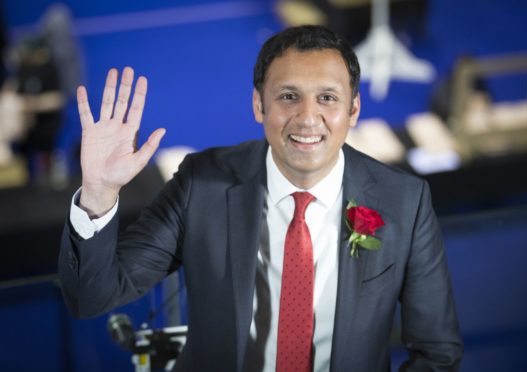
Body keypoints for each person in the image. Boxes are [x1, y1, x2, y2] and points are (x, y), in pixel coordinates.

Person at [59, 25, 462, 371]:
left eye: (327, 98)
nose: (307, 118)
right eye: (288, 96)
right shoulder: (202, 183)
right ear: (258, 104)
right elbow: (92, 297)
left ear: (353, 108)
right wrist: (99, 192)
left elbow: (437, 353)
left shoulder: (405, 201)